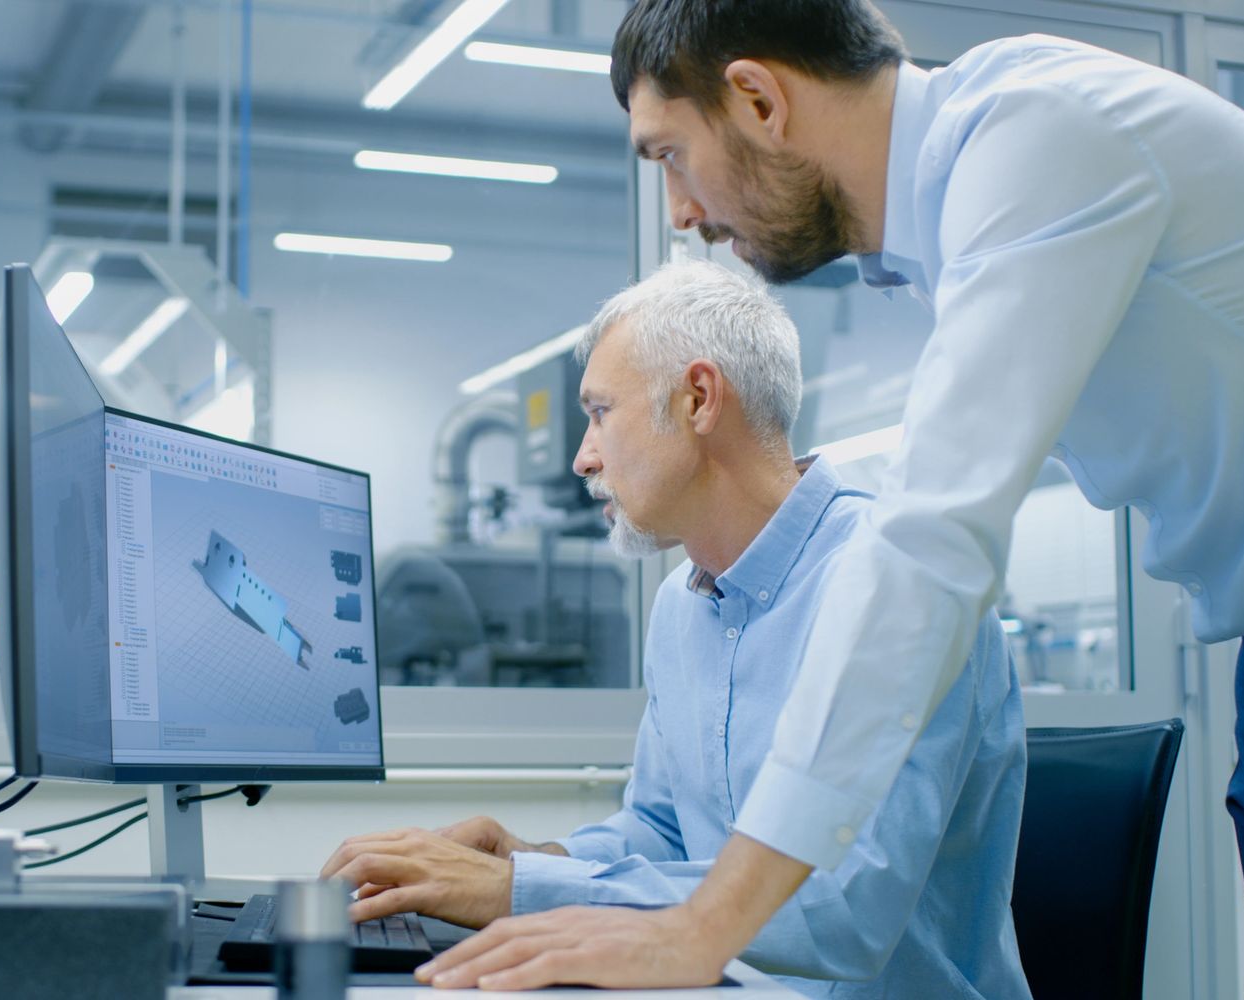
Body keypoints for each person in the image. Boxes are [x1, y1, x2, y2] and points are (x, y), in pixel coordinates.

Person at [417, 1, 1244, 995]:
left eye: (670, 155)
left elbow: (932, 545)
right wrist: (562, 878)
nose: (679, 211)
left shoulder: (1034, 138)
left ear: (757, 100)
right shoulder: (947, 225)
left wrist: (701, 927)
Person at [321, 260, 1032, 998]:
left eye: (600, 412)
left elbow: (841, 909)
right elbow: (662, 832)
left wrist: (521, 893)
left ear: (698, 399)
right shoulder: (681, 607)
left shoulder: (893, 582)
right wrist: (536, 858)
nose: (583, 457)